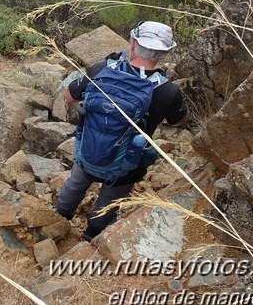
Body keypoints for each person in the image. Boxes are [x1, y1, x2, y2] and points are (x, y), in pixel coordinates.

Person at [57, 21, 188, 241]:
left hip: (88, 153)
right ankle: (92, 236)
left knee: (75, 184)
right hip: (126, 167)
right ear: (165, 53)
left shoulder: (101, 69)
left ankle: (62, 215)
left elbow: (69, 97)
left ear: (133, 43)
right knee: (110, 201)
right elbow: (179, 121)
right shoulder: (168, 91)